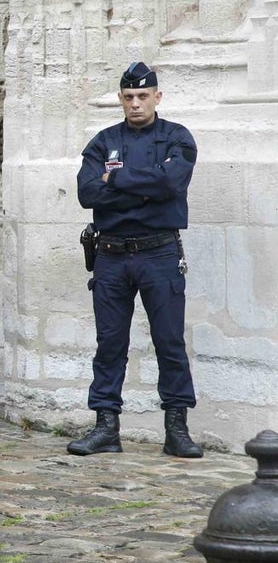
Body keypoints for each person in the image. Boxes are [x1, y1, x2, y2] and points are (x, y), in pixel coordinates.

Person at [69, 61, 202, 458]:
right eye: (129, 97)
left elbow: (171, 182)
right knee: (109, 344)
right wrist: (146, 188)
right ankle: (106, 426)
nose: (136, 103)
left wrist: (117, 180)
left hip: (158, 252)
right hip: (110, 255)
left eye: (143, 96)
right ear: (120, 99)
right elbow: (87, 194)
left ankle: (176, 428)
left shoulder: (177, 137)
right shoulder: (103, 141)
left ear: (157, 97)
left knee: (169, 342)